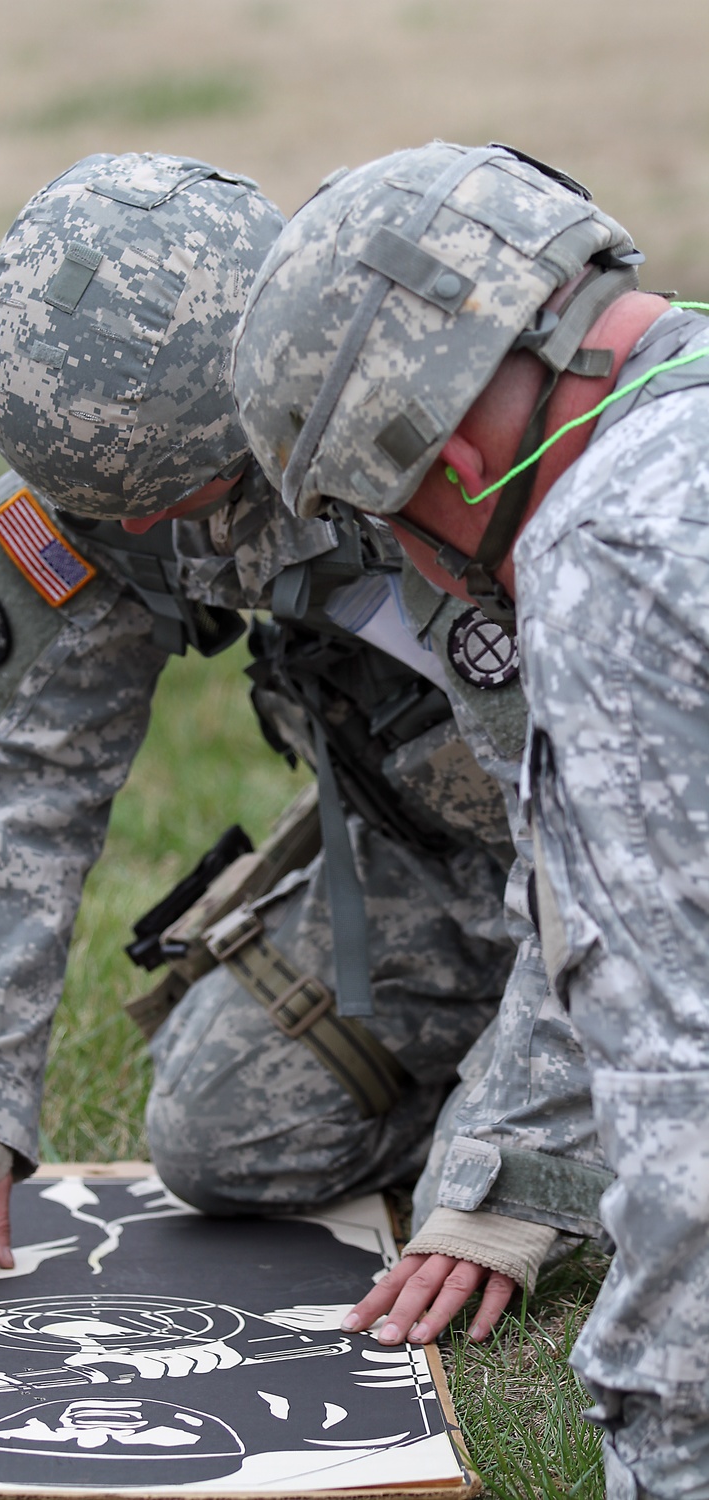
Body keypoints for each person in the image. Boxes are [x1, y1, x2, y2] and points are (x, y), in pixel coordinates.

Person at [0, 151, 522, 1296]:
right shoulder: (102, 480)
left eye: (180, 498)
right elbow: (20, 778)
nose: (144, 531)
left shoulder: (459, 437)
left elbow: (632, 834)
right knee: (227, 1134)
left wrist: (502, 1187)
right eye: (111, 509)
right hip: (439, 856)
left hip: (650, 872)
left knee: (548, 1157)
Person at [231, 139, 709, 1500]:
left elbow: (688, 1087)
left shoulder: (607, 551)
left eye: (388, 530)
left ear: (449, 464)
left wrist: (665, 1454)